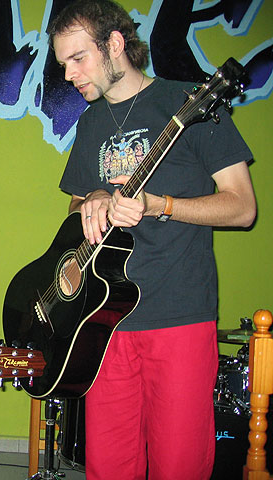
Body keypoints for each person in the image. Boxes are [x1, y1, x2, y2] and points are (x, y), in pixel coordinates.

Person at [48, 1, 256, 479]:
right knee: (109, 468)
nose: (69, 74)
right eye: (63, 64)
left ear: (115, 44)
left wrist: (163, 205)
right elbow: (76, 209)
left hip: (178, 317)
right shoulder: (91, 123)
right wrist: (96, 197)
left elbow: (243, 208)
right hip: (104, 325)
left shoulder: (190, 103)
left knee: (179, 466)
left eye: (78, 58)